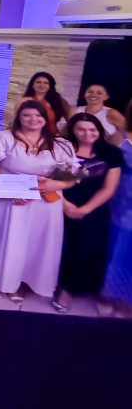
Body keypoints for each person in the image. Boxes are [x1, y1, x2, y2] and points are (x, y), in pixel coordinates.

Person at [0, 100, 77, 301]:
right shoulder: (4, 138)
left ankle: (21, 281)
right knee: (10, 240)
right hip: (11, 200)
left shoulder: (60, 144)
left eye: (38, 115)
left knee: (34, 244)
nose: (32, 119)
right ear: (19, 117)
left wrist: (56, 184)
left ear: (45, 119)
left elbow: (72, 175)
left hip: (44, 203)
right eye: (27, 115)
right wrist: (9, 190)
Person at [52, 112, 122, 312]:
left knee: (84, 248)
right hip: (59, 204)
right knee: (60, 248)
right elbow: (54, 181)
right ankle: (54, 284)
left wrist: (85, 209)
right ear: (72, 130)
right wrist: (66, 206)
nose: (87, 133)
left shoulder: (110, 153)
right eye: (81, 129)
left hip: (94, 208)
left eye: (92, 129)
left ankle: (70, 290)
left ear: (99, 130)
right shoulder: (64, 149)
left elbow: (109, 188)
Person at [103, 103, 132, 317]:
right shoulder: (119, 137)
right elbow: (105, 166)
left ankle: (127, 298)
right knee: (117, 249)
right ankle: (109, 294)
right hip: (122, 197)